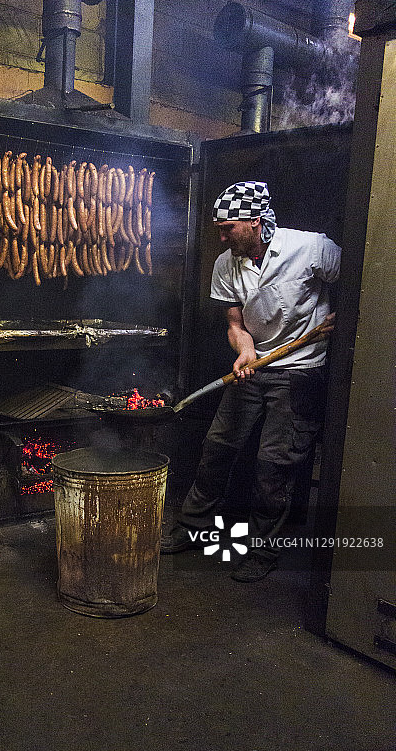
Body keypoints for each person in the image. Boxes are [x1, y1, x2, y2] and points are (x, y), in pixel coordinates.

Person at [161, 181, 341, 582]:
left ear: (256, 222)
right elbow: (235, 323)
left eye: (229, 229)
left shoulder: (311, 248)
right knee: (217, 447)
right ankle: (192, 527)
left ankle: (262, 550)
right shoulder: (227, 263)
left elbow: (361, 275)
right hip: (255, 366)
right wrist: (245, 351)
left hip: (300, 370)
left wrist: (342, 316)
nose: (222, 237)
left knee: (273, 466)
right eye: (219, 229)